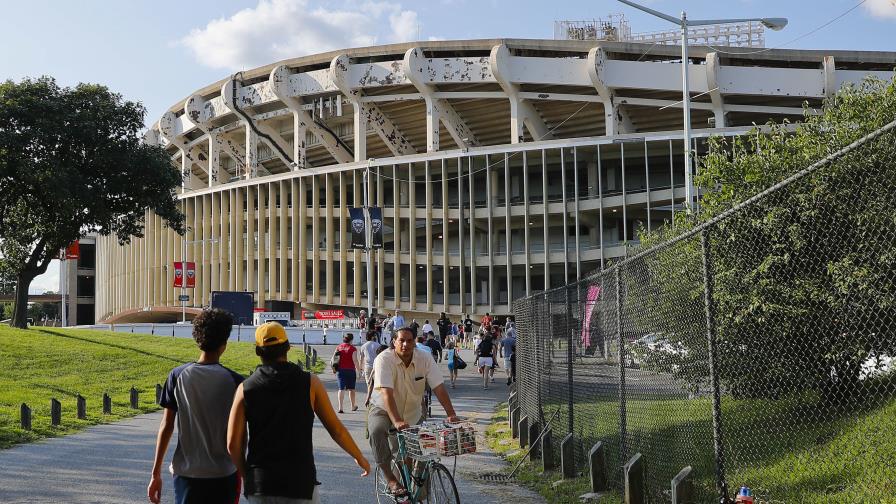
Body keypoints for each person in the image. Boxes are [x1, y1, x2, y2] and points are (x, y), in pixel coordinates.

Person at [227, 322, 370, 504]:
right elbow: (336, 429)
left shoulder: (245, 388)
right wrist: (359, 457)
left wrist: (247, 476)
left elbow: (232, 444)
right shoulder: (311, 383)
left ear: (258, 352)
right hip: (300, 482)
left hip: (261, 483)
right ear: (287, 347)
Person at [148, 308, 244, 504]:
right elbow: (242, 435)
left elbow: (166, 425)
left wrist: (155, 472)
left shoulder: (177, 376)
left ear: (197, 339)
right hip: (224, 473)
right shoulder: (235, 382)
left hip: (186, 474)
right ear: (224, 344)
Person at [367, 328, 460, 497]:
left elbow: (438, 387)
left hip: (413, 411)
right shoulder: (384, 359)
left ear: (415, 342)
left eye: (410, 341)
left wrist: (451, 414)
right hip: (383, 408)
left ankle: (416, 493)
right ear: (394, 341)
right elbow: (387, 393)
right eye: (401, 340)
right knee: (377, 431)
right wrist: (396, 421)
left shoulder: (424, 358)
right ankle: (390, 479)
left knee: (417, 452)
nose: (405, 344)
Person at [334, 333, 361, 413]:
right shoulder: (353, 349)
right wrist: (359, 371)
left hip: (340, 370)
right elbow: (355, 361)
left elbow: (334, 359)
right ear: (351, 340)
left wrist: (334, 368)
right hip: (350, 371)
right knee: (351, 389)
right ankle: (353, 406)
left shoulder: (338, 347)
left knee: (341, 389)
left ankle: (340, 407)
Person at [360, 332, 381, 404]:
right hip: (377, 366)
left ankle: (369, 398)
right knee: (376, 384)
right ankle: (371, 398)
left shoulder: (363, 346)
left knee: (368, 384)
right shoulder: (378, 345)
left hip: (367, 366)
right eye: (375, 335)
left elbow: (361, 359)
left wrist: (360, 368)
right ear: (372, 336)